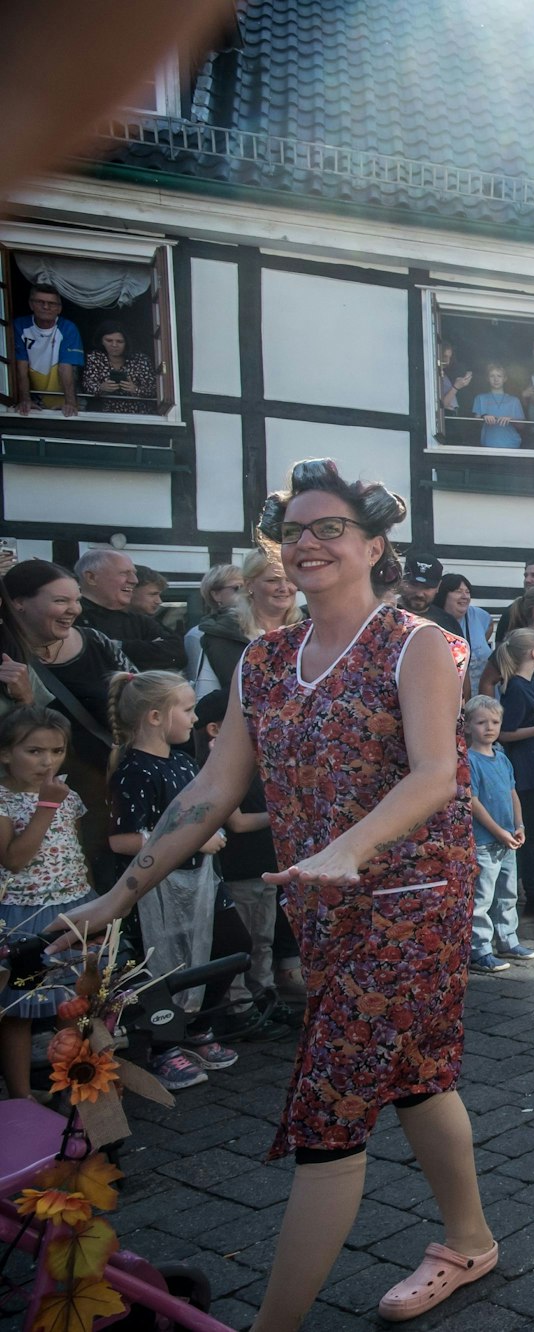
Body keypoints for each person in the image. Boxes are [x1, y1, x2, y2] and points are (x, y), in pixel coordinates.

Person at [53, 458, 501, 1331]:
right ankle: (471, 1240)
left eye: (328, 528)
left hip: (411, 898)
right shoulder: (263, 661)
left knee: (331, 1112)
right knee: (414, 1077)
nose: (306, 543)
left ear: (374, 545)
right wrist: (114, 901)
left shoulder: (417, 642)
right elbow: (209, 792)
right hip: (323, 903)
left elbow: (436, 775)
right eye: (292, 531)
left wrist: (345, 848)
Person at [105, 670, 235, 1091]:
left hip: (200, 883)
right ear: (157, 716)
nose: (195, 718)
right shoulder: (133, 770)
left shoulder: (181, 759)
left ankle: (197, 1027)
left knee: (233, 946)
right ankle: (163, 1047)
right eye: (188, 709)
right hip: (157, 891)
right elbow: (123, 839)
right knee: (158, 967)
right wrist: (194, 841)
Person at [3, 559, 133, 876]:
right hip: (40, 801)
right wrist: (25, 698)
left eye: (76, 599)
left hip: (110, 788)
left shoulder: (97, 642)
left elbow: (138, 703)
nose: (74, 609)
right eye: (60, 600)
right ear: (18, 603)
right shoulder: (8, 657)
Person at [193, 687, 301, 1032]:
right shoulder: (217, 764)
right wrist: (282, 814)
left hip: (266, 867)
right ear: (215, 729)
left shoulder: (253, 761)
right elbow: (237, 821)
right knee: (247, 942)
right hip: (241, 871)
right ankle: (240, 1008)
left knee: (264, 939)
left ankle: (265, 997)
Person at [0, 707, 90, 1099]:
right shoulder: (3, 800)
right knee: (18, 1012)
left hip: (73, 906)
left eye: (56, 751)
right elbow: (14, 859)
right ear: (6, 753)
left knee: (74, 1004)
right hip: (24, 915)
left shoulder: (67, 792)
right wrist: (46, 807)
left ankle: (74, 1085)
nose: (47, 761)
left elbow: (74, 846)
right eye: (34, 751)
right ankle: (21, 1095)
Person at [492, 628, 534, 919]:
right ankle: (531, 892)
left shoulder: (528, 684)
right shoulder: (517, 688)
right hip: (526, 769)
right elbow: (506, 732)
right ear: (533, 653)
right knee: (527, 833)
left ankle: (531, 889)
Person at [462, 695, 532, 974]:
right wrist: (498, 831)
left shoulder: (502, 759)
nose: (489, 727)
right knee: (483, 897)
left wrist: (519, 825)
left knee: (507, 893)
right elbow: (473, 802)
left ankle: (507, 938)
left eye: (494, 722)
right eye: (481, 722)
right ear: (467, 726)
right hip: (485, 842)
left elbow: (512, 793)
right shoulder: (469, 760)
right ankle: (479, 949)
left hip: (508, 840)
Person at [191, 548, 301, 699]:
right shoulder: (222, 635)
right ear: (249, 585)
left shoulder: (312, 629)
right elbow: (205, 701)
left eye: (289, 579)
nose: (283, 588)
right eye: (272, 580)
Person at [74, 547, 182, 671]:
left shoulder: (139, 620)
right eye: (124, 573)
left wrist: (118, 645)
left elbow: (177, 654)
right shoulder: (71, 616)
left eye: (134, 573)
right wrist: (148, 649)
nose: (134, 580)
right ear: (91, 577)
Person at [10, 283, 82, 416]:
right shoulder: (19, 325)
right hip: (34, 397)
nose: (46, 307)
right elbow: (21, 366)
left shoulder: (68, 328)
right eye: (40, 302)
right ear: (31, 305)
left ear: (59, 308)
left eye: (52, 303)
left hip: (64, 397)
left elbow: (65, 366)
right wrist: (25, 399)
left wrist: (70, 403)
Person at [426, 574, 494, 696]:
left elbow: (489, 624)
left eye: (467, 592)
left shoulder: (477, 615)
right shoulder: (430, 620)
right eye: (458, 591)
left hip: (482, 699)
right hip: (450, 696)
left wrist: (479, 642)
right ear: (443, 594)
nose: (465, 596)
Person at [183, 563, 244, 678]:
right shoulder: (198, 635)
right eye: (238, 588)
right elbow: (198, 683)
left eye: (249, 587)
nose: (248, 593)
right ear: (216, 595)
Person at [80, 324, 156, 414]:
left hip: (138, 415)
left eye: (120, 341)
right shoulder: (94, 357)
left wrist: (135, 389)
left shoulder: (141, 359)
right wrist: (101, 387)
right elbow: (86, 386)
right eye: (109, 340)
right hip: (103, 415)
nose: (114, 345)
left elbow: (154, 390)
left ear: (127, 342)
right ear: (101, 341)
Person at [472, 364, 526, 450]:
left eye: (499, 376)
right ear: (487, 379)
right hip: (488, 444)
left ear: (505, 379)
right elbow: (475, 422)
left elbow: (521, 426)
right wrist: (484, 417)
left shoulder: (514, 400)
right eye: (492, 376)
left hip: (511, 444)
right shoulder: (480, 398)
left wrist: (511, 419)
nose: (496, 379)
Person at [399, 552, 443, 616]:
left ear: (438, 586)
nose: (419, 594)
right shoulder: (384, 615)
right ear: (402, 580)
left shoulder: (448, 623)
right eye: (414, 585)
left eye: (427, 587)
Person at [436, 343, 473, 416]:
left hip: (452, 414)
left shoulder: (444, 375)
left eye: (449, 358)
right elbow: (441, 406)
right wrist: (456, 386)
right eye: (444, 356)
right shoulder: (433, 377)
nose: (447, 361)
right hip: (445, 416)